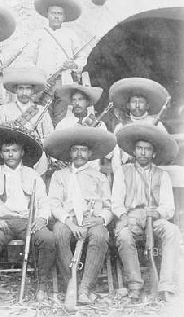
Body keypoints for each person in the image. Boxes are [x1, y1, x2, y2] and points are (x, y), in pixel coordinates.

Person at [0, 123, 56, 303]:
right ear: (1, 154)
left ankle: (42, 285)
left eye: (15, 150)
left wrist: (41, 218)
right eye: (7, 150)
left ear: (22, 152)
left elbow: (44, 202)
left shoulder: (32, 175)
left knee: (48, 239)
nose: (11, 154)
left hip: (26, 221)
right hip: (3, 222)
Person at [44, 125, 116, 304]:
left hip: (92, 220)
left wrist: (99, 219)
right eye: (75, 150)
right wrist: (70, 223)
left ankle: (85, 288)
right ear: (69, 153)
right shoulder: (59, 176)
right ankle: (72, 283)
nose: (79, 154)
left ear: (89, 154)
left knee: (100, 235)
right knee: (58, 233)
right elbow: (53, 203)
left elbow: (109, 205)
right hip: (68, 219)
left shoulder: (98, 177)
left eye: (83, 150)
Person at [112, 123, 180, 302]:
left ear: (153, 153)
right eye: (139, 149)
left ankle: (166, 285)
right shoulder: (122, 172)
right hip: (131, 216)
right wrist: (124, 216)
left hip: (154, 217)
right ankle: (135, 285)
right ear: (134, 151)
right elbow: (116, 203)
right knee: (124, 235)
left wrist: (157, 212)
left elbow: (169, 207)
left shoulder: (162, 175)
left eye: (147, 149)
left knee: (172, 231)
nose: (143, 153)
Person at [25, 0, 87, 126]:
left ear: (64, 17)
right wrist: (38, 79)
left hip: (63, 82)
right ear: (47, 14)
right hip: (45, 82)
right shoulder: (39, 34)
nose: (56, 17)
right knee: (42, 116)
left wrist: (73, 65)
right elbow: (29, 59)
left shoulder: (71, 35)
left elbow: (82, 57)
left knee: (60, 117)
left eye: (59, 14)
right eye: (53, 13)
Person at [0, 67, 53, 176]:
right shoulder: (4, 110)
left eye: (28, 89)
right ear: (15, 90)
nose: (24, 93)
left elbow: (49, 137)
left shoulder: (41, 111)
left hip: (37, 159)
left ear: (33, 91)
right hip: (11, 158)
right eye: (21, 88)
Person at [109, 77, 169, 171]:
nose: (137, 106)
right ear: (128, 105)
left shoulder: (156, 125)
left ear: (147, 105)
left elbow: (164, 150)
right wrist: (119, 174)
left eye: (141, 102)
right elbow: (116, 156)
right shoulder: (120, 127)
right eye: (134, 102)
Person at [55, 84, 106, 170]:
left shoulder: (99, 125)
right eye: (74, 100)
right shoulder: (63, 124)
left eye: (80, 99)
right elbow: (54, 146)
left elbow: (106, 150)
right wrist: (57, 160)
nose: (77, 103)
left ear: (87, 102)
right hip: (68, 172)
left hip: (91, 171)